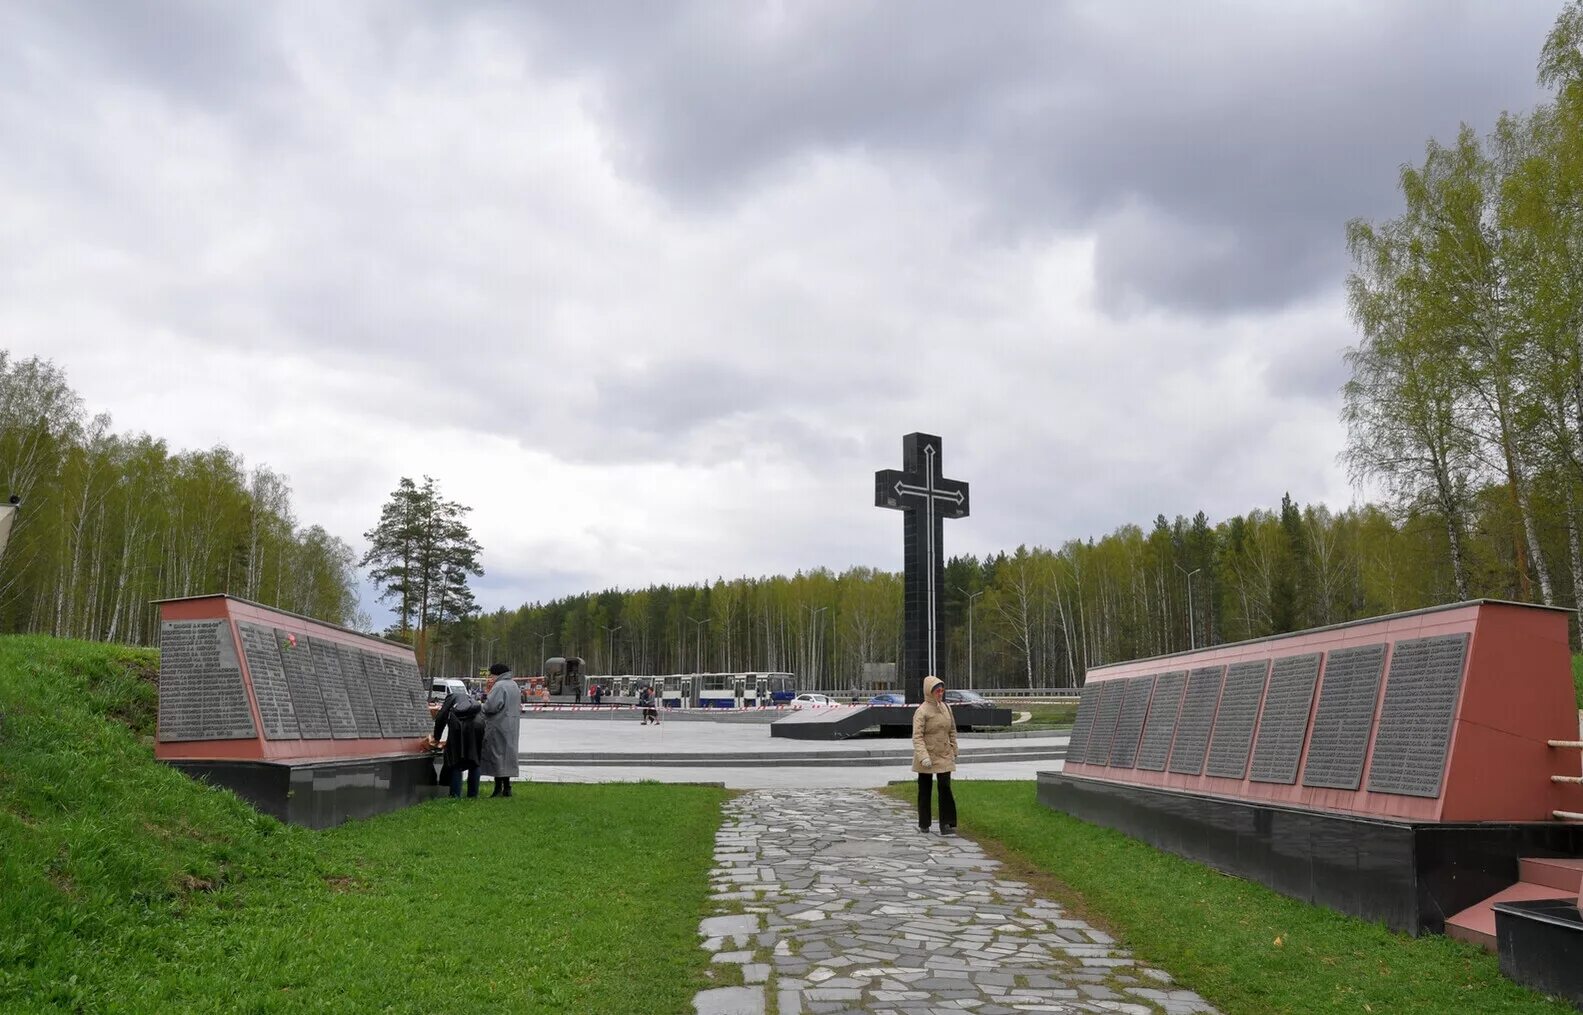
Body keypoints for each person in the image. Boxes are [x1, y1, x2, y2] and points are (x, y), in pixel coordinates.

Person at [912, 675, 958, 835]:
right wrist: (923, 756)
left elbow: (952, 730)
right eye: (937, 690)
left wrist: (954, 748)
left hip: (944, 754)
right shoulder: (922, 711)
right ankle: (924, 823)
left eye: (942, 690)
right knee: (925, 789)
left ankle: (947, 823)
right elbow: (917, 736)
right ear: (929, 692)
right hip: (927, 756)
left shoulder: (946, 708)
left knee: (945, 787)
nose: (940, 693)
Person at [429, 686, 484, 798]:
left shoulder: (451, 698)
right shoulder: (471, 700)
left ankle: (455, 795)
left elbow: (441, 718)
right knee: (475, 760)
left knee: (456, 760)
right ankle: (473, 795)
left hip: (459, 725)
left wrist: (436, 738)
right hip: (479, 725)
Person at [480, 663, 523, 797]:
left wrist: (480, 706)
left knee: (497, 756)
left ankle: (498, 788)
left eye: (491, 675)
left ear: (496, 673)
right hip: (511, 727)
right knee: (507, 758)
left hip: (498, 726)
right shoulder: (513, 685)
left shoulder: (499, 686)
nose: (491, 678)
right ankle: (507, 787)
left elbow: (491, 707)